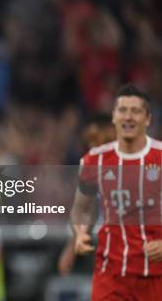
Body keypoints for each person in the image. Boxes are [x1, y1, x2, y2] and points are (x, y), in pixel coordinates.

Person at [71, 85, 162, 300]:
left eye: (136, 111)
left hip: (156, 275)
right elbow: (81, 209)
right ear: (113, 116)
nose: (128, 116)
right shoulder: (94, 160)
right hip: (111, 275)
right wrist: (80, 232)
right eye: (122, 110)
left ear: (148, 119)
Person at [58, 114, 115, 275]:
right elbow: (87, 211)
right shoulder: (94, 168)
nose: (91, 144)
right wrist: (72, 246)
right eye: (88, 139)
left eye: (96, 138)